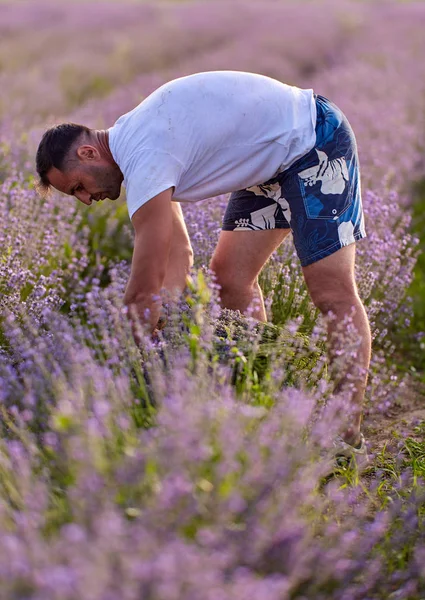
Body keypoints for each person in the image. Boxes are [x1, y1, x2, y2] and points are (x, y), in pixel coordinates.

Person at [35, 70, 370, 467]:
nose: (87, 200)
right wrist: (169, 321)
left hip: (313, 140)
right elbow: (179, 256)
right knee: (230, 282)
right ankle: (265, 406)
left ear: (88, 153)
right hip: (269, 165)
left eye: (77, 187)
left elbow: (143, 289)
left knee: (331, 294)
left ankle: (346, 434)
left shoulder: (144, 154)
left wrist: (130, 364)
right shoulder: (137, 149)